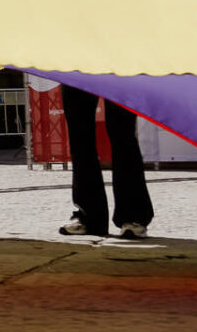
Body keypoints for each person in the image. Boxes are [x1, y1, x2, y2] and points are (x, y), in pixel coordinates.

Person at [59, 85, 153, 239]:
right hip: (77, 64)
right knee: (79, 135)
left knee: (122, 131)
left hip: (118, 66)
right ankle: (89, 216)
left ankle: (133, 215)